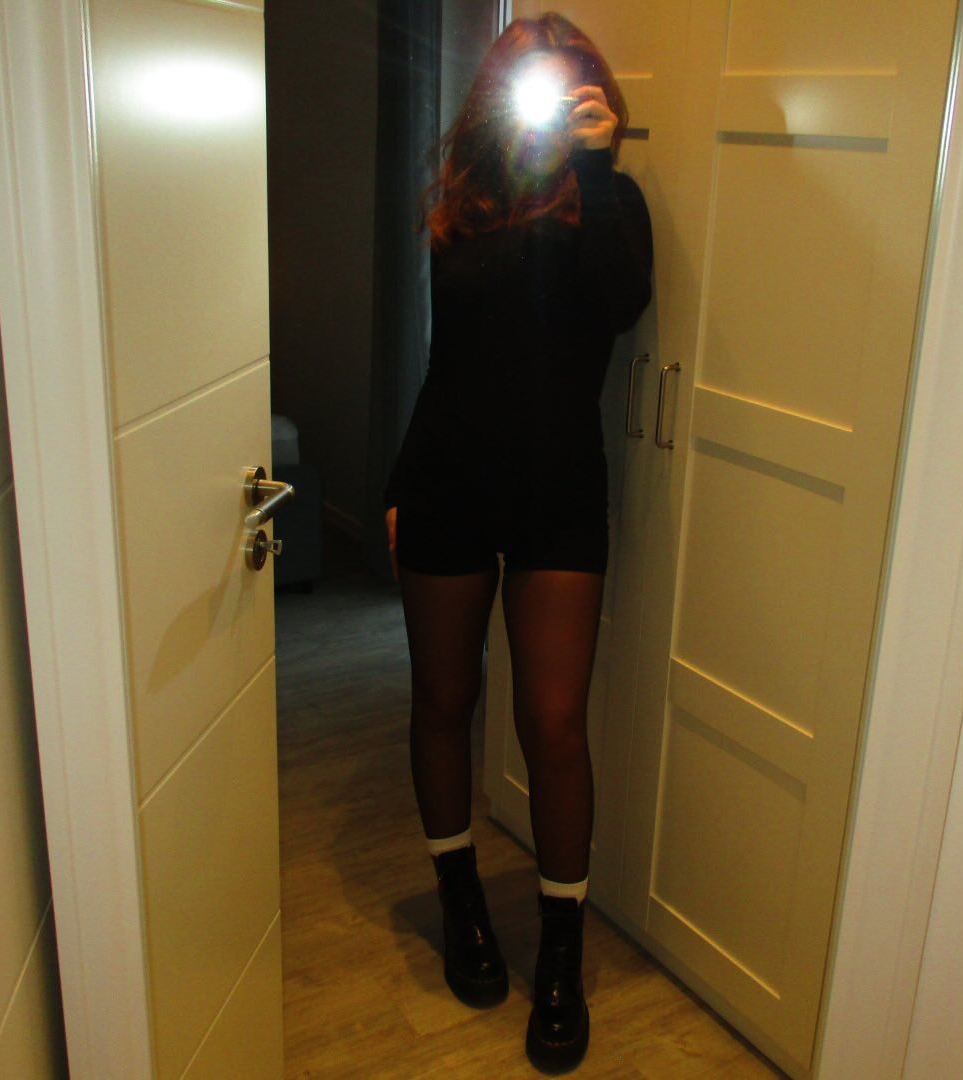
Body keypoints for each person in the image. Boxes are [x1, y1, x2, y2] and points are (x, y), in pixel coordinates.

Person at [383, 12, 652, 1072]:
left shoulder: (606, 198)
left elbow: (623, 301)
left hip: (557, 492)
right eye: (527, 81)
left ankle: (561, 957)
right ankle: (462, 906)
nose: (544, 98)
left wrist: (597, 165)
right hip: (447, 477)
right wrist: (400, 481)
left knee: (554, 725)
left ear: (592, 94)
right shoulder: (464, 201)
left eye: (564, 79)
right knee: (443, 700)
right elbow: (446, 360)